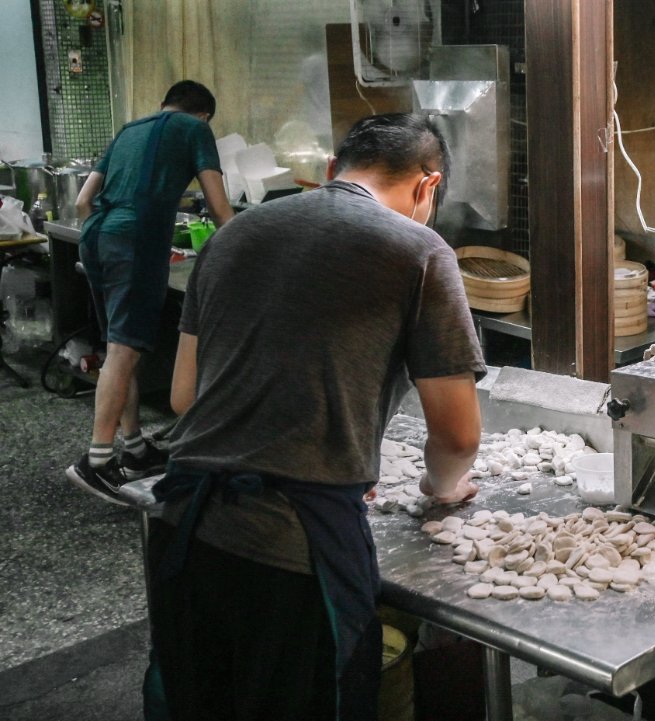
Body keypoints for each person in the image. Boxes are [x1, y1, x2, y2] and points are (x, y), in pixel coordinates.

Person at [146, 112, 486, 720]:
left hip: (182, 529)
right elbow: (457, 434)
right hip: (289, 552)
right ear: (427, 186)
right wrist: (443, 487)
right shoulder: (418, 249)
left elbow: (184, 397)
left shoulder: (232, 237)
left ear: (333, 170)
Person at [66, 80, 235, 503]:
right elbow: (218, 207)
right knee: (126, 350)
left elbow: (84, 200)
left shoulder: (129, 129)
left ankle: (135, 448)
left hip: (96, 236)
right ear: (204, 115)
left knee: (117, 347)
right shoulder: (195, 130)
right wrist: (248, 251)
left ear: (165, 104)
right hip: (135, 240)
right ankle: (98, 462)